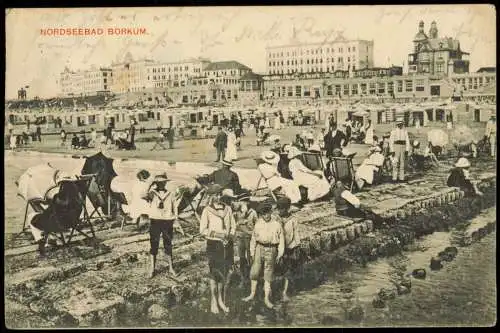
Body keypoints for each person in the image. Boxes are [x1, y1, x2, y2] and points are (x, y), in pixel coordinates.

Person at [199, 184, 237, 314]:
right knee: (215, 273)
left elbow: (233, 226)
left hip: (227, 244)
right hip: (214, 245)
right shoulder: (207, 210)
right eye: (215, 194)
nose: (218, 197)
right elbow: (203, 230)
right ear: (210, 196)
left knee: (225, 272)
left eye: (219, 194)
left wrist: (229, 236)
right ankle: (213, 301)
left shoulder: (228, 209)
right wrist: (219, 235)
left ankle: (221, 300)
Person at [242, 201, 285, 309]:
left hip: (271, 248)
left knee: (268, 273)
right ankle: (252, 294)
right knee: (255, 271)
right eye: (263, 214)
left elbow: (281, 240)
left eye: (267, 213)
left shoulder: (276, 224)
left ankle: (266, 298)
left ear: (271, 212)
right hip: (259, 248)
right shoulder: (258, 223)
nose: (266, 216)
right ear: (261, 214)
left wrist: (280, 253)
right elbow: (253, 239)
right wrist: (252, 252)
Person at [144, 173, 182, 278]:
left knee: (168, 244)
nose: (161, 184)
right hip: (155, 221)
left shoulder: (171, 193)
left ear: (165, 183)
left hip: (167, 221)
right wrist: (149, 184)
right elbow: (142, 195)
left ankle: (171, 268)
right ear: (156, 183)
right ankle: (152, 269)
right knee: (154, 245)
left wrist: (176, 220)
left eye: (163, 182)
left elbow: (175, 207)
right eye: (159, 183)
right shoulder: (152, 193)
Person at [275, 197, 302, 301]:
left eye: (282, 209)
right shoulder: (276, 220)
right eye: (279, 209)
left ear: (287, 209)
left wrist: (297, 246)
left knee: (288, 270)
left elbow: (296, 234)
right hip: (278, 248)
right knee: (278, 269)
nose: (280, 211)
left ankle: (284, 292)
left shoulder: (293, 220)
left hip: (290, 247)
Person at [232, 196, 258, 288]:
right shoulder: (237, 213)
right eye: (240, 202)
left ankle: (252, 279)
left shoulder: (253, 212)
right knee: (242, 258)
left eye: (243, 202)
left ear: (247, 202)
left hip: (249, 238)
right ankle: (243, 279)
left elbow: (257, 226)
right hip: (240, 238)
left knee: (250, 258)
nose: (241, 203)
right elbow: (233, 224)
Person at [389, 117, 410, 183]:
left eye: (401, 124)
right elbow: (391, 141)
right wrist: (392, 150)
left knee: (402, 163)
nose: (400, 125)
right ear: (397, 124)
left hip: (403, 147)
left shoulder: (405, 131)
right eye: (399, 124)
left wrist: (407, 149)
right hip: (396, 147)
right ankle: (394, 178)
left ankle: (401, 178)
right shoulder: (393, 131)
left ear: (403, 124)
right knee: (395, 163)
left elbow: (407, 141)